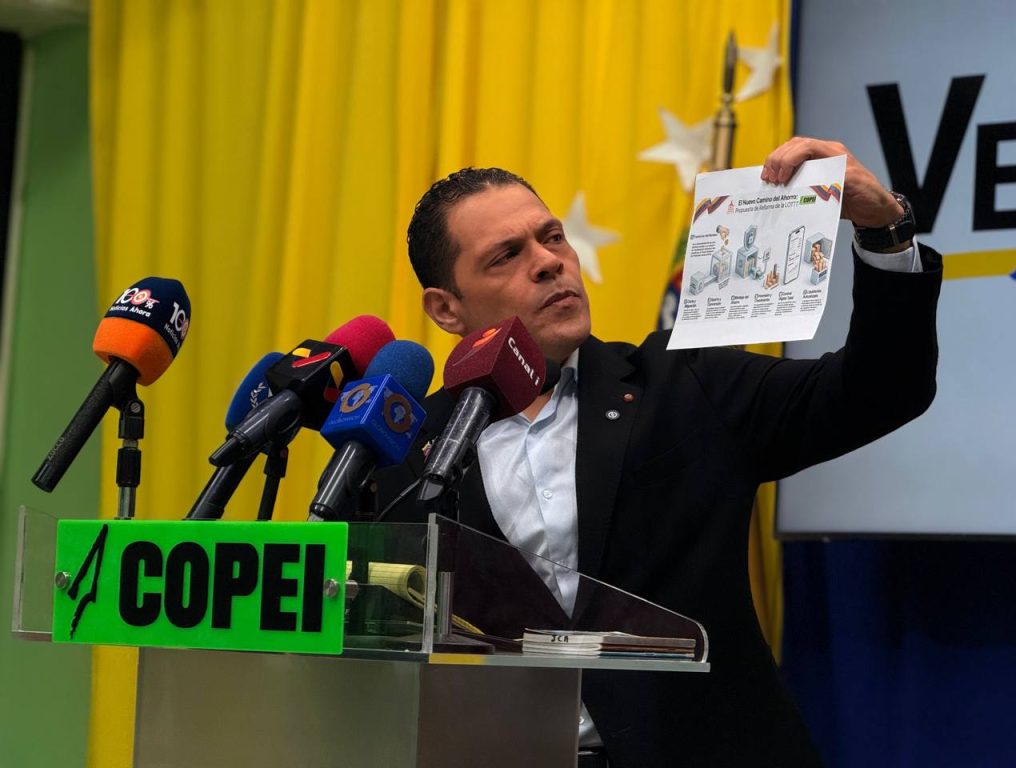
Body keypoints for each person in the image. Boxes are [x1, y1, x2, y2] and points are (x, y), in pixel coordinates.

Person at [375, 137, 942, 767]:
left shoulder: (683, 383)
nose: (549, 263)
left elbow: (882, 389)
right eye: (507, 255)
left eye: (553, 237)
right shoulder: (405, 453)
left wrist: (885, 231)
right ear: (446, 308)